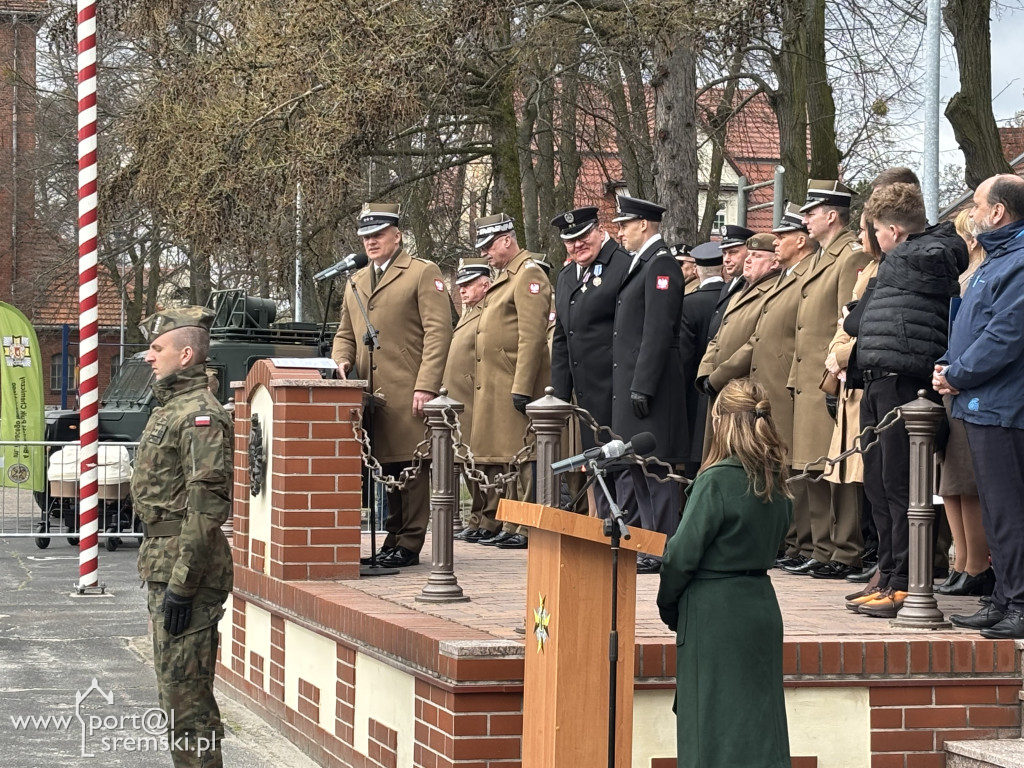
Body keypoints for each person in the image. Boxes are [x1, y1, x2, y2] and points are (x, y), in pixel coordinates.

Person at [657, 378, 792, 768]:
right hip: (760, 605)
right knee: (759, 729)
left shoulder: (715, 480)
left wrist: (669, 606)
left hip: (714, 612)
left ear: (722, 422)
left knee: (712, 731)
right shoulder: (775, 477)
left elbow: (679, 556)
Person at [846, 182, 966, 618]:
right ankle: (890, 572)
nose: (875, 239)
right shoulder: (915, 258)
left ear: (894, 231)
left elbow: (857, 321)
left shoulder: (905, 260)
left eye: (877, 230)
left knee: (898, 487)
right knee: (881, 485)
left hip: (901, 382)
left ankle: (902, 581)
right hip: (886, 378)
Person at [133, 306, 233, 768]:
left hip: (186, 568)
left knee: (188, 704)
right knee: (174, 696)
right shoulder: (171, 408)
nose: (149, 356)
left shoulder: (199, 415)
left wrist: (183, 582)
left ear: (186, 354)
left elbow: (206, 507)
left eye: (158, 348)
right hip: (165, 561)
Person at [332, 203, 453, 567]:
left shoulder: (421, 272)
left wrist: (426, 385)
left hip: (408, 389)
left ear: (397, 236)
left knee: (411, 468)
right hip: (371, 395)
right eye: (366, 237)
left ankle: (410, 542)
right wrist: (342, 360)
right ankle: (393, 536)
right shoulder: (356, 281)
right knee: (387, 469)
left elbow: (438, 332)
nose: (371, 242)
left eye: (378, 235)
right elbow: (345, 333)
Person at [935, 174, 1024, 639]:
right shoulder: (1000, 257)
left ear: (998, 211)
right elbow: (975, 326)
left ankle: (1019, 602)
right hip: (983, 400)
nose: (971, 212)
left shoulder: (1018, 261)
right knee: (994, 508)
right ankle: (1004, 597)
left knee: (1009, 509)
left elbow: (1006, 334)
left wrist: (958, 373)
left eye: (977, 204)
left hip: (1005, 404)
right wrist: (948, 364)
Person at [788, 179, 872, 580]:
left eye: (811, 212)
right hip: (810, 377)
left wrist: (834, 377)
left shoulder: (849, 255)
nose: (805, 219)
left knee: (837, 469)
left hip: (832, 376)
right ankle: (821, 547)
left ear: (832, 215)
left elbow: (847, 323)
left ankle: (844, 548)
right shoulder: (822, 256)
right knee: (813, 467)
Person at [612, 195, 687, 573]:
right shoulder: (642, 263)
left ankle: (662, 547)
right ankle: (648, 544)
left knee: (656, 472)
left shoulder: (661, 264)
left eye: (625, 224)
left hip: (653, 388)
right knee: (638, 468)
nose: (620, 232)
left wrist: (643, 384)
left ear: (644, 224)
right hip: (636, 384)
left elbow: (657, 330)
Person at [470, 212, 551, 549]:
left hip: (516, 382)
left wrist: (522, 387)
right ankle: (511, 521)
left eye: (489, 245)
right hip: (500, 381)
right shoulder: (507, 276)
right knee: (510, 458)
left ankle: (526, 526)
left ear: (507, 240)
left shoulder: (528, 274)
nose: (485, 252)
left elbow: (532, 336)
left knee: (526, 457)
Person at [549, 206, 631, 516]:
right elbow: (562, 338)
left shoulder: (623, 266)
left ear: (599, 230)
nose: (577, 245)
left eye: (583, 237)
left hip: (616, 389)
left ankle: (622, 528)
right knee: (597, 465)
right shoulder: (566, 276)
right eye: (570, 241)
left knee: (621, 466)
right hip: (585, 395)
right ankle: (603, 527)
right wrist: (558, 394)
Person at [935, 209, 991, 596]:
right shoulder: (966, 274)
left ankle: (975, 564)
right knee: (952, 482)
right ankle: (961, 561)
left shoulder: (983, 273)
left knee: (967, 483)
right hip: (952, 380)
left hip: (968, 386)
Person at [823, 212, 880, 584]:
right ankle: (871, 550)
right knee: (860, 473)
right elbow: (845, 321)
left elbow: (867, 322)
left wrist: (843, 354)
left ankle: (873, 552)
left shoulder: (873, 266)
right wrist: (835, 352)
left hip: (865, 375)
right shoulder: (869, 266)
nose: (859, 236)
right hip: (850, 375)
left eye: (864, 229)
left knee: (873, 472)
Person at [444, 258, 494, 542]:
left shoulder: (488, 313)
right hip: (460, 401)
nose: (461, 289)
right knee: (467, 463)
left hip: (476, 399)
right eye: (460, 284)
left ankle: (490, 519)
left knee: (483, 464)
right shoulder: (469, 313)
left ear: (485, 285)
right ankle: (477, 518)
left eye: (468, 284)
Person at [679, 242, 725, 475]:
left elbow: (684, 356)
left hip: (693, 391)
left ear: (696, 270)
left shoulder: (689, 303)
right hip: (724, 384)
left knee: (694, 460)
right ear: (723, 268)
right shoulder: (732, 298)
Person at [706, 224, 755, 342]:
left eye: (733, 252)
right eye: (724, 253)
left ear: (750, 253)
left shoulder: (751, 285)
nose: (726, 259)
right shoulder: (728, 285)